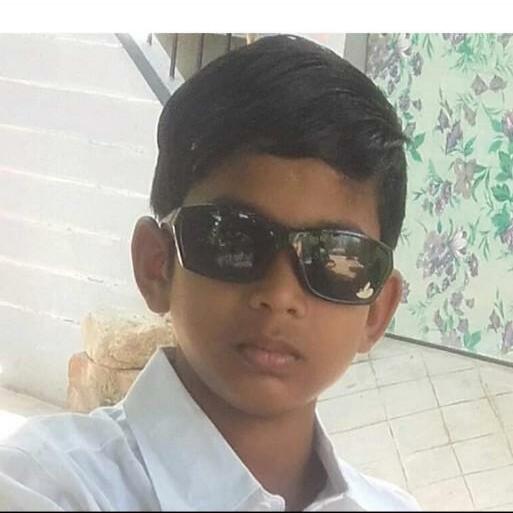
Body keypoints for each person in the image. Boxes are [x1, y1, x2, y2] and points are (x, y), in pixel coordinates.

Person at [0, 35, 420, 511]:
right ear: (157, 265)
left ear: (376, 312)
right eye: (233, 240)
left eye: (336, 258)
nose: (280, 294)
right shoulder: (41, 486)